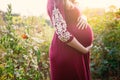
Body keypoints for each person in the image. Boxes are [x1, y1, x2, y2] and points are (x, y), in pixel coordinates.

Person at [47, 0, 94, 80]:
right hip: (66, 50)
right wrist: (84, 50)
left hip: (77, 50)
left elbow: (76, 14)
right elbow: (62, 33)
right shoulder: (54, 1)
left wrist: (83, 17)